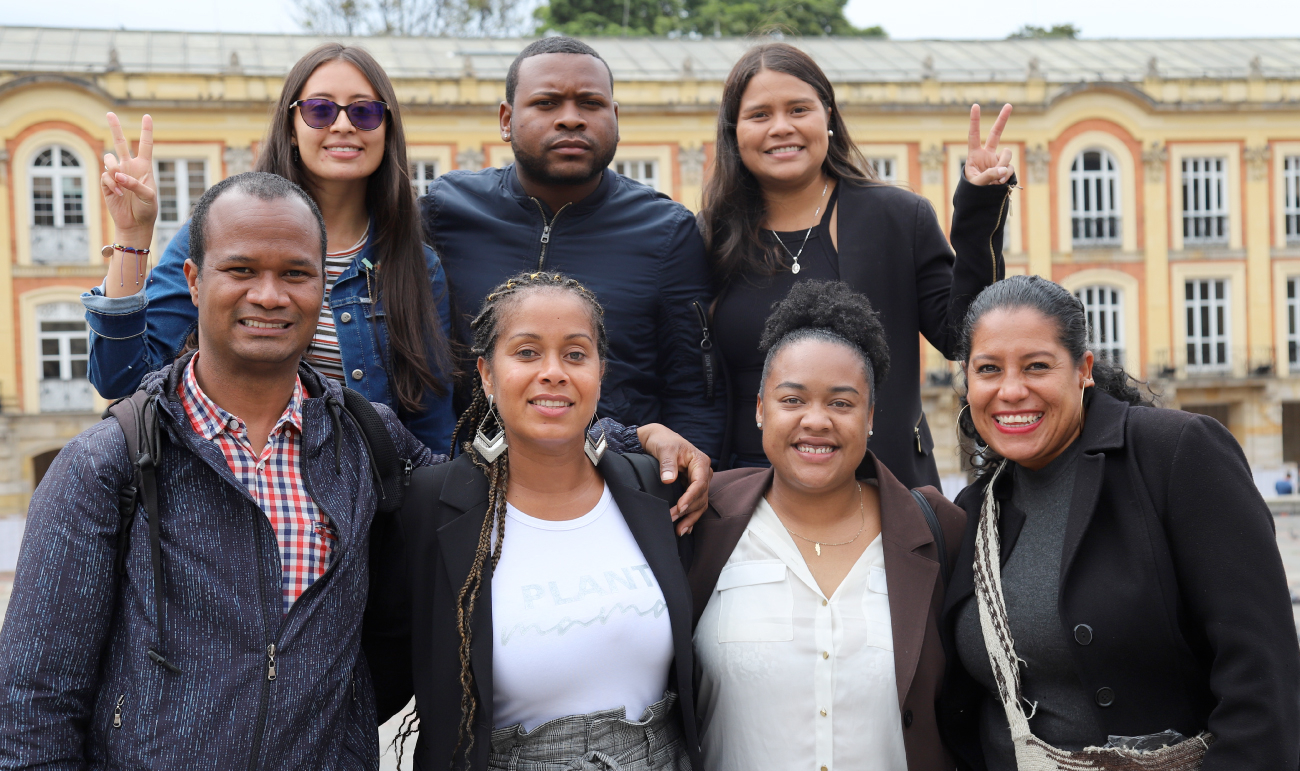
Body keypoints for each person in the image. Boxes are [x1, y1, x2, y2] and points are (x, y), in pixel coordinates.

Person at [0, 172, 442, 769]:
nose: (269, 295)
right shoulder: (110, 463)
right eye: (240, 270)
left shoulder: (367, 439)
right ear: (193, 280)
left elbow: (490, 490)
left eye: (295, 273)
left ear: (322, 284)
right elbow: (33, 705)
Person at [940, 275, 1300, 770]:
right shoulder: (976, 507)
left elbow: (1264, 675)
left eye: (1037, 366)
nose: (1011, 390)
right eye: (988, 369)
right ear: (968, 381)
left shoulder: (1175, 453)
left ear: (1083, 369)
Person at [364, 272, 700, 771]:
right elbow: (374, 676)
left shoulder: (655, 487)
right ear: (485, 373)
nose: (553, 372)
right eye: (526, 352)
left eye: (575, 354)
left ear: (600, 373)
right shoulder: (428, 509)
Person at [83, 44, 458, 452]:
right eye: (320, 110)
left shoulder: (416, 265)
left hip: (361, 504)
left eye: (364, 112)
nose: (344, 124)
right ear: (292, 128)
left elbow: (430, 429)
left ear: (386, 129)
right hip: (224, 488)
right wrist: (133, 237)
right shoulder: (220, 229)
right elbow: (121, 379)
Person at [701, 43, 1016, 488]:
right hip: (746, 494)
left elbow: (962, 334)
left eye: (798, 109)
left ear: (827, 117)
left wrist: (979, 205)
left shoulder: (897, 217)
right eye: (759, 115)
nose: (781, 127)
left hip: (881, 489)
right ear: (734, 132)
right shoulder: (708, 237)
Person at [688, 281, 965, 771]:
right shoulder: (703, 518)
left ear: (871, 416)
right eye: (792, 400)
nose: (815, 421)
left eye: (841, 403)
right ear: (759, 409)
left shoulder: (938, 531)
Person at [420, 36, 725, 460]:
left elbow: (695, 390)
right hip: (465, 486)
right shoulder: (443, 211)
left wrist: (674, 492)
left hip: (614, 485)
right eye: (546, 103)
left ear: (615, 117)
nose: (570, 119)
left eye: (590, 103)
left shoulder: (667, 231)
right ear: (506, 119)